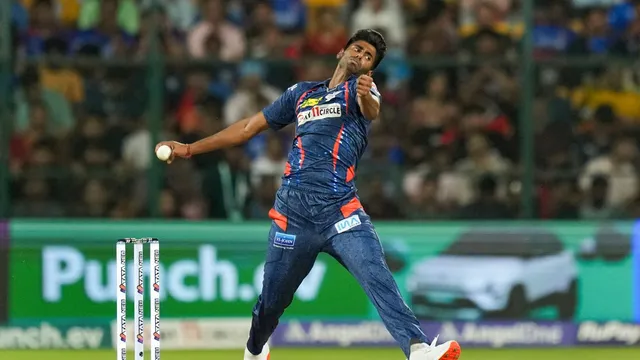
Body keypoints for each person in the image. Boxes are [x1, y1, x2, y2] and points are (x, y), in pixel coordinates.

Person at [155, 29, 461, 360]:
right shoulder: (302, 94)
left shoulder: (361, 90)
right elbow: (247, 128)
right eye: (357, 49)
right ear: (341, 52)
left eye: (369, 57)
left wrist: (367, 94)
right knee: (271, 303)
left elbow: (371, 108)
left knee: (377, 275)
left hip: (341, 211)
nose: (360, 56)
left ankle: (417, 348)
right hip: (293, 215)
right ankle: (255, 350)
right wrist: (188, 149)